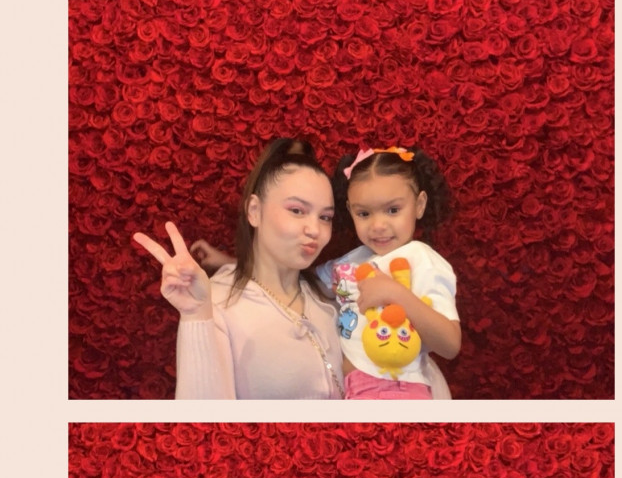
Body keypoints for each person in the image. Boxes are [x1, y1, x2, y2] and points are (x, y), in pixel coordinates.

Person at [132, 137, 344, 401]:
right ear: (254, 211)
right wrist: (196, 315)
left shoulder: (331, 295)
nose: (314, 229)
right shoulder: (216, 304)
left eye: (325, 217)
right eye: (297, 211)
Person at [325, 144, 461, 399]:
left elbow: (450, 344)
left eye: (393, 210)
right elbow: (305, 282)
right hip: (352, 389)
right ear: (350, 210)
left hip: (398, 389)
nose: (378, 225)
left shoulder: (421, 259)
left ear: (419, 205)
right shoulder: (351, 261)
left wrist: (395, 294)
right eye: (364, 213)